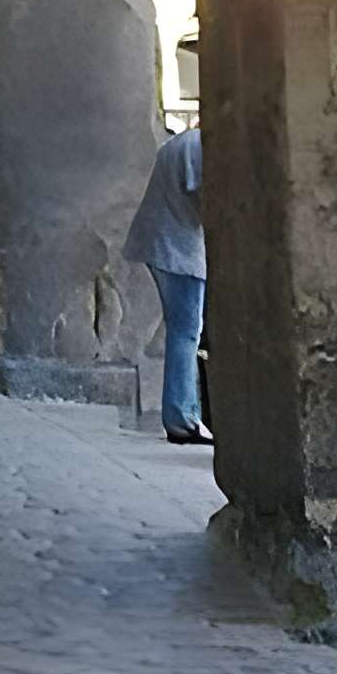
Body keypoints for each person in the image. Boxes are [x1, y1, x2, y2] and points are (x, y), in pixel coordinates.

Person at [122, 122, 208, 446]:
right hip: (178, 249)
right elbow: (210, 202)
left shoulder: (186, 142)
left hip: (167, 243)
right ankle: (182, 419)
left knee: (184, 331)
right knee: (186, 333)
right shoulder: (201, 148)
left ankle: (183, 415)